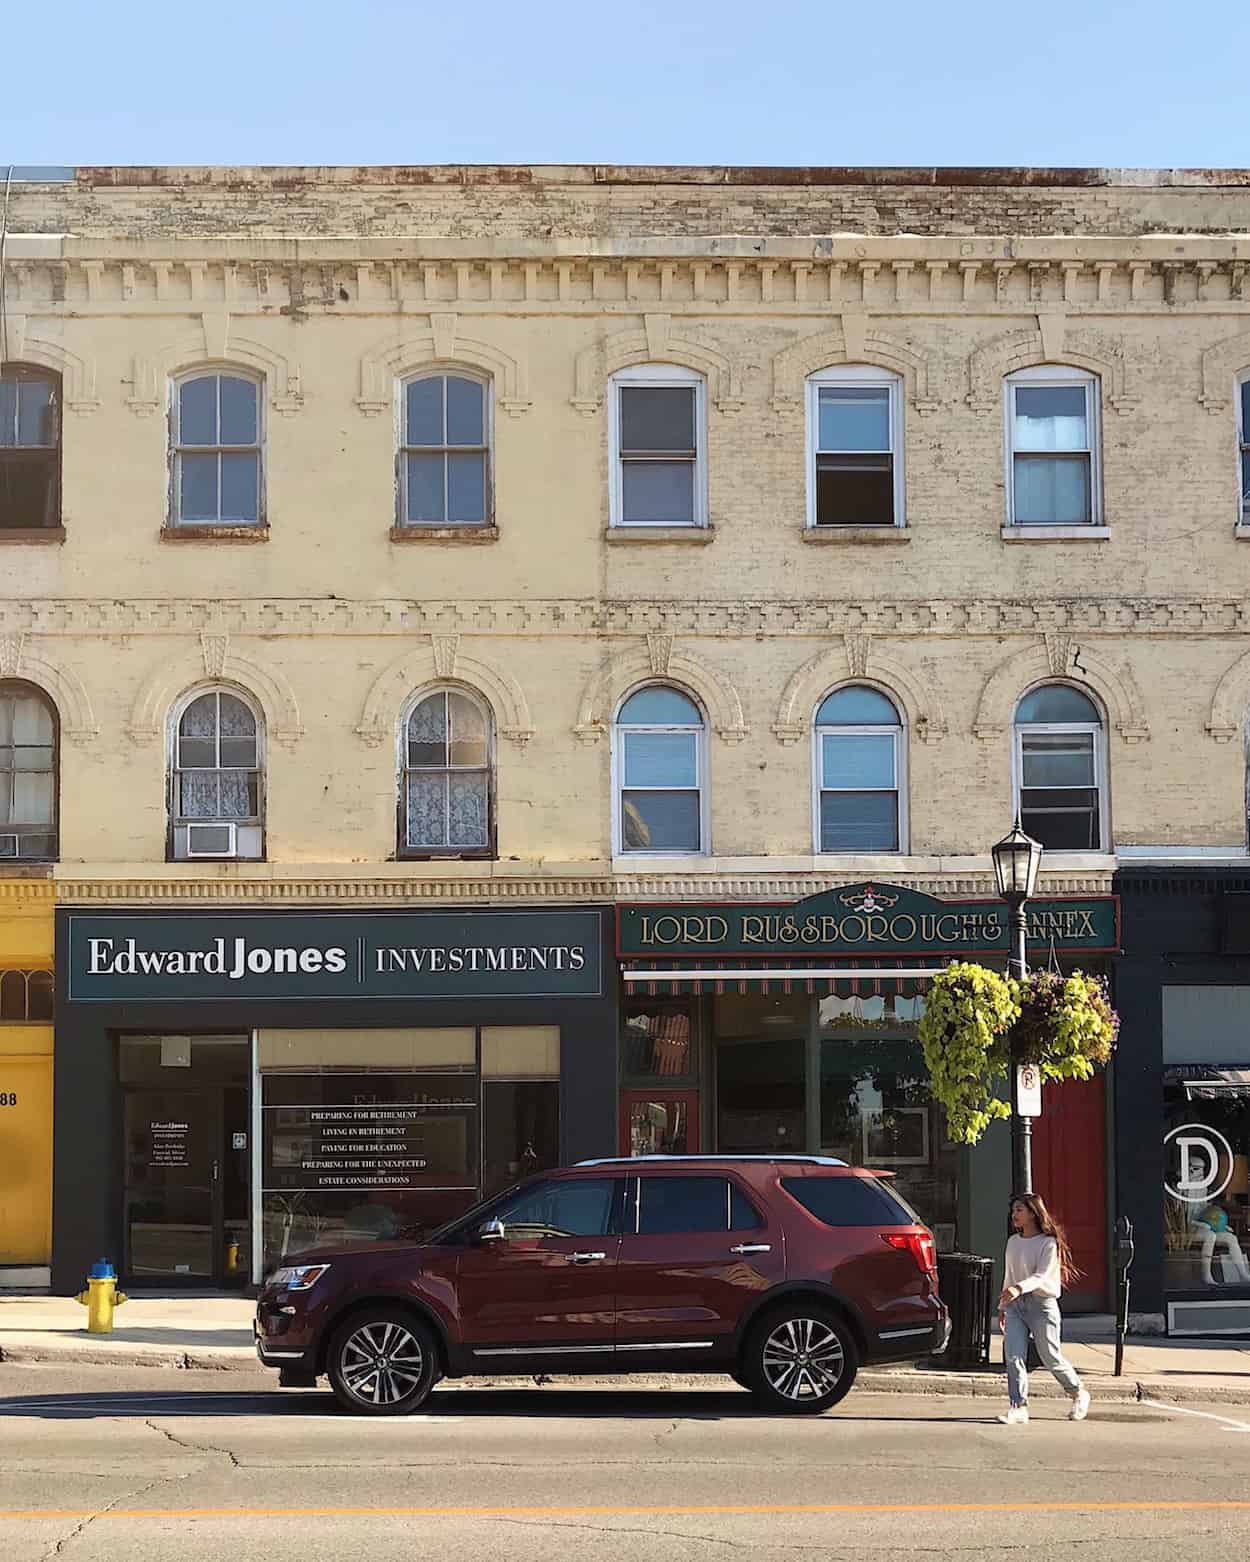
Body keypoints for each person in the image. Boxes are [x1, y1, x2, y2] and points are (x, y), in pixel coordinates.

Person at [997, 1192, 1091, 1425]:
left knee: (1050, 1356)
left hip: (1042, 1305)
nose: (1014, 1215)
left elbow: (1041, 1276)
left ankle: (1078, 1392)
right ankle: (1018, 1406)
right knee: (1014, 1355)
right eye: (1013, 1210)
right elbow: (1009, 1275)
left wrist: (1019, 1288)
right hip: (1015, 1306)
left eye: (1019, 1210)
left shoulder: (1048, 1243)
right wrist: (1003, 1304)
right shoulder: (1013, 1242)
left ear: (1033, 1213)